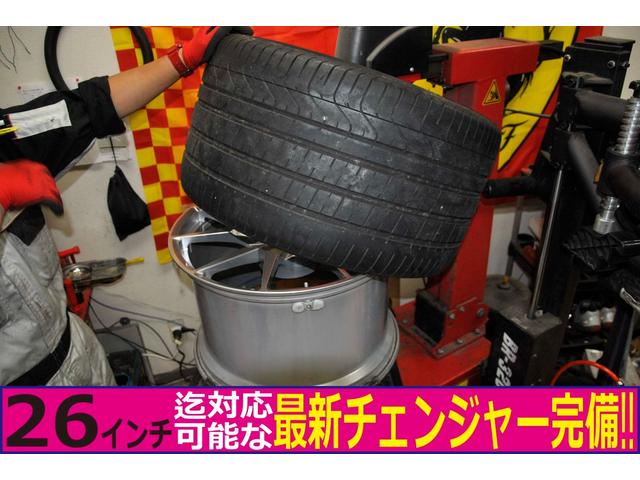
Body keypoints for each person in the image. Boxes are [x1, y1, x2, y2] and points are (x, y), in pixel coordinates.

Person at [0, 26, 247, 386]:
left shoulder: (4, 137)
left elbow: (87, 107)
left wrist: (184, 58)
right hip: (19, 395)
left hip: (78, 354)